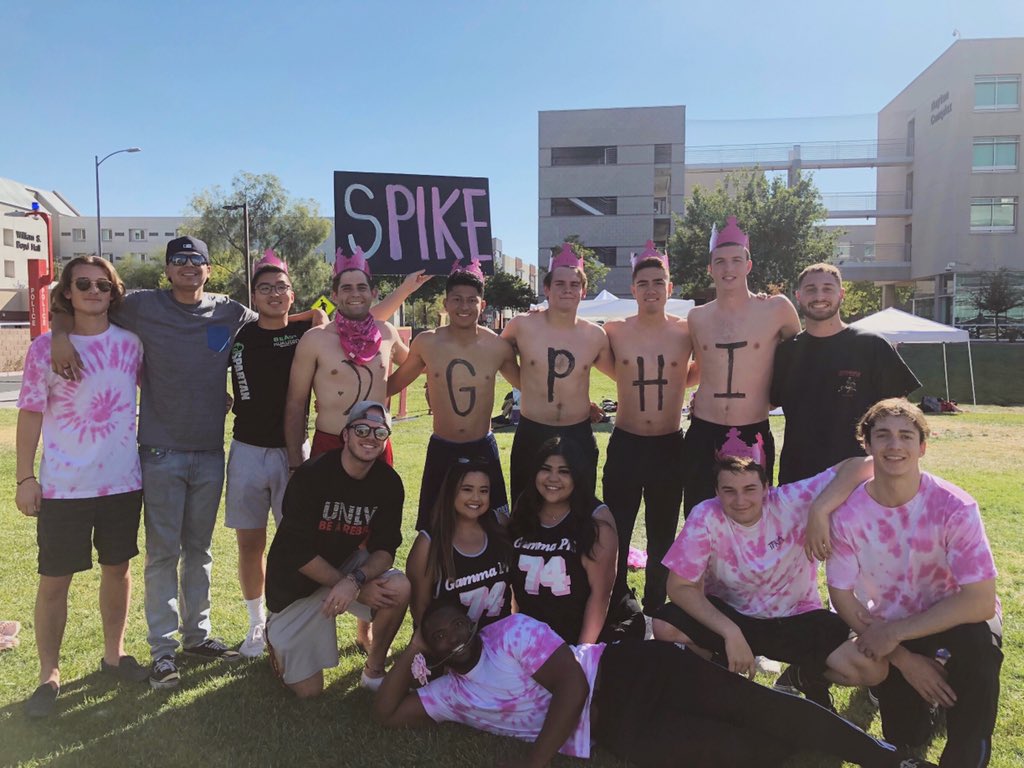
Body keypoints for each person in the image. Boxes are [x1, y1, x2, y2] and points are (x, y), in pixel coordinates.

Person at [50, 236, 287, 688]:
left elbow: (275, 321)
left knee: (200, 551)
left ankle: (197, 635)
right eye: (178, 260)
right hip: (159, 452)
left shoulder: (229, 311)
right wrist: (60, 335)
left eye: (196, 260)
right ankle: (163, 649)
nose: (187, 267)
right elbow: (80, 302)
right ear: (167, 270)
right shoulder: (140, 306)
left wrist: (317, 318)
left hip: (209, 452)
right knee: (163, 554)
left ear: (209, 269)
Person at [373, 603, 937, 768]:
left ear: (475, 623)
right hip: (616, 731)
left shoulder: (511, 634)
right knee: (742, 749)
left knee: (756, 707)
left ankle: (889, 761)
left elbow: (570, 692)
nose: (451, 636)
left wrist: (535, 762)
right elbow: (387, 717)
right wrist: (414, 654)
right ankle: (810, 738)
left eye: (455, 625)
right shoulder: (446, 694)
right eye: (437, 635)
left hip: (626, 671)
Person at [827, 398, 1002, 767]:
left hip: (955, 619)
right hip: (891, 627)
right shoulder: (848, 516)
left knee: (979, 648)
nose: (895, 446)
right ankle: (922, 697)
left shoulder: (955, 507)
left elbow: (980, 602)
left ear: (922, 446)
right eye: (883, 435)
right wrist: (904, 658)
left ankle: (965, 754)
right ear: (868, 445)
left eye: (906, 436)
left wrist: (894, 635)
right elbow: (840, 595)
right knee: (907, 734)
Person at [16, 256, 148, 717]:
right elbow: (31, 412)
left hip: (121, 483)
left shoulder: (133, 343)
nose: (94, 290)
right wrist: (25, 477)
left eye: (103, 284)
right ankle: (48, 675)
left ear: (114, 292)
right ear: (67, 293)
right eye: (83, 284)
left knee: (119, 570)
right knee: (54, 582)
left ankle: (114, 655)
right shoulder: (43, 349)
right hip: (63, 487)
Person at [652, 454, 886, 710]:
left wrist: (820, 509)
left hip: (795, 616)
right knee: (665, 625)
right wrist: (730, 631)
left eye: (750, 489)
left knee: (872, 669)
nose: (740, 501)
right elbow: (678, 586)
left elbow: (864, 464)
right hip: (733, 614)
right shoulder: (706, 515)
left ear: (766, 488)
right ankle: (721, 677)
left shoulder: (791, 500)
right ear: (716, 491)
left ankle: (806, 676)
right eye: (729, 491)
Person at [265, 401, 410, 696]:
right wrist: (348, 584)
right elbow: (297, 552)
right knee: (309, 692)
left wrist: (356, 580)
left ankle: (374, 670)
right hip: (295, 586)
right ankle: (275, 634)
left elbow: (385, 550)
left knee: (399, 587)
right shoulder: (312, 475)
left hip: (343, 567)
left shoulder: (388, 483)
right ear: (345, 435)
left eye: (379, 432)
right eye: (362, 429)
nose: (370, 437)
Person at [226, 251, 326, 658]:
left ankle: (293, 619)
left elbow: (321, 316)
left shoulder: (307, 336)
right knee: (250, 543)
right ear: (253, 296)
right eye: (264, 288)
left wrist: (312, 316)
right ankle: (256, 624)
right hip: (247, 450)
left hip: (293, 451)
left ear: (292, 293)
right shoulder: (239, 334)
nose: (273, 294)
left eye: (281, 287)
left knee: (297, 542)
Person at [387, 258, 519, 530]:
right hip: (442, 447)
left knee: (496, 525)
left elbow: (531, 387)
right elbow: (392, 384)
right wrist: (350, 398)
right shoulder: (427, 342)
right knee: (434, 526)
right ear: (445, 304)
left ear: (482, 305)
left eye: (472, 300)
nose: (464, 307)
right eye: (457, 299)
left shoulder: (498, 347)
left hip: (482, 446)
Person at [683, 217, 801, 517]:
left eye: (736, 260)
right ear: (710, 268)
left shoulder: (777, 310)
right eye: (720, 261)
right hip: (703, 429)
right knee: (700, 516)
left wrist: (778, 395)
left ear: (748, 266)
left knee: (752, 515)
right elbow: (693, 367)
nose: (728, 268)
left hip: (753, 428)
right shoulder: (697, 317)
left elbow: (801, 360)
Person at [601, 241, 695, 615]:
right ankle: (617, 601)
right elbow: (609, 367)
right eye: (644, 283)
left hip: (668, 446)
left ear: (670, 288)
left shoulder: (686, 331)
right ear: (633, 289)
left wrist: (675, 384)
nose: (652, 289)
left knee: (662, 533)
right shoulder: (614, 330)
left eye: (659, 282)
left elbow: (699, 369)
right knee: (617, 528)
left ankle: (657, 604)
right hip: (626, 443)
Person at [771, 263, 920, 484]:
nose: (819, 296)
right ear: (798, 296)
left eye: (827, 289)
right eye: (811, 289)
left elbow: (901, 414)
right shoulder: (785, 352)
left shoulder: (871, 346)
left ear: (841, 294)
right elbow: (768, 403)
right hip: (798, 480)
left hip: (859, 480)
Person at [285, 247, 423, 466]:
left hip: (376, 443)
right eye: (346, 288)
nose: (355, 294)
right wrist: (294, 461)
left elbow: (416, 365)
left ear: (373, 293)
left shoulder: (387, 332)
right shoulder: (314, 339)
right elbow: (295, 404)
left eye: (361, 287)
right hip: (329, 444)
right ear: (334, 295)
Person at [501, 244, 611, 504]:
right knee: (526, 505)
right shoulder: (522, 326)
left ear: (583, 292)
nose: (567, 290)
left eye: (574, 285)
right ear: (547, 289)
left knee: (580, 506)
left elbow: (624, 374)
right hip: (533, 430)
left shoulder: (595, 335)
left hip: (578, 432)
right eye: (560, 284)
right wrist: (527, 386)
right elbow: (497, 356)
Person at [509, 437, 643, 644]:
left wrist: (581, 653)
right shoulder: (525, 508)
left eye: (564, 471)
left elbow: (600, 595)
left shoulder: (596, 519)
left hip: (599, 628)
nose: (553, 478)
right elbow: (515, 586)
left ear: (577, 476)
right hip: (542, 633)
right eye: (546, 469)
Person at [406, 460, 513, 629]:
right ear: (450, 492)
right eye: (467, 489)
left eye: (483, 491)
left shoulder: (500, 525)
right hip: (455, 646)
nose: (476, 498)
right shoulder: (428, 543)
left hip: (501, 639)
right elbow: (420, 606)